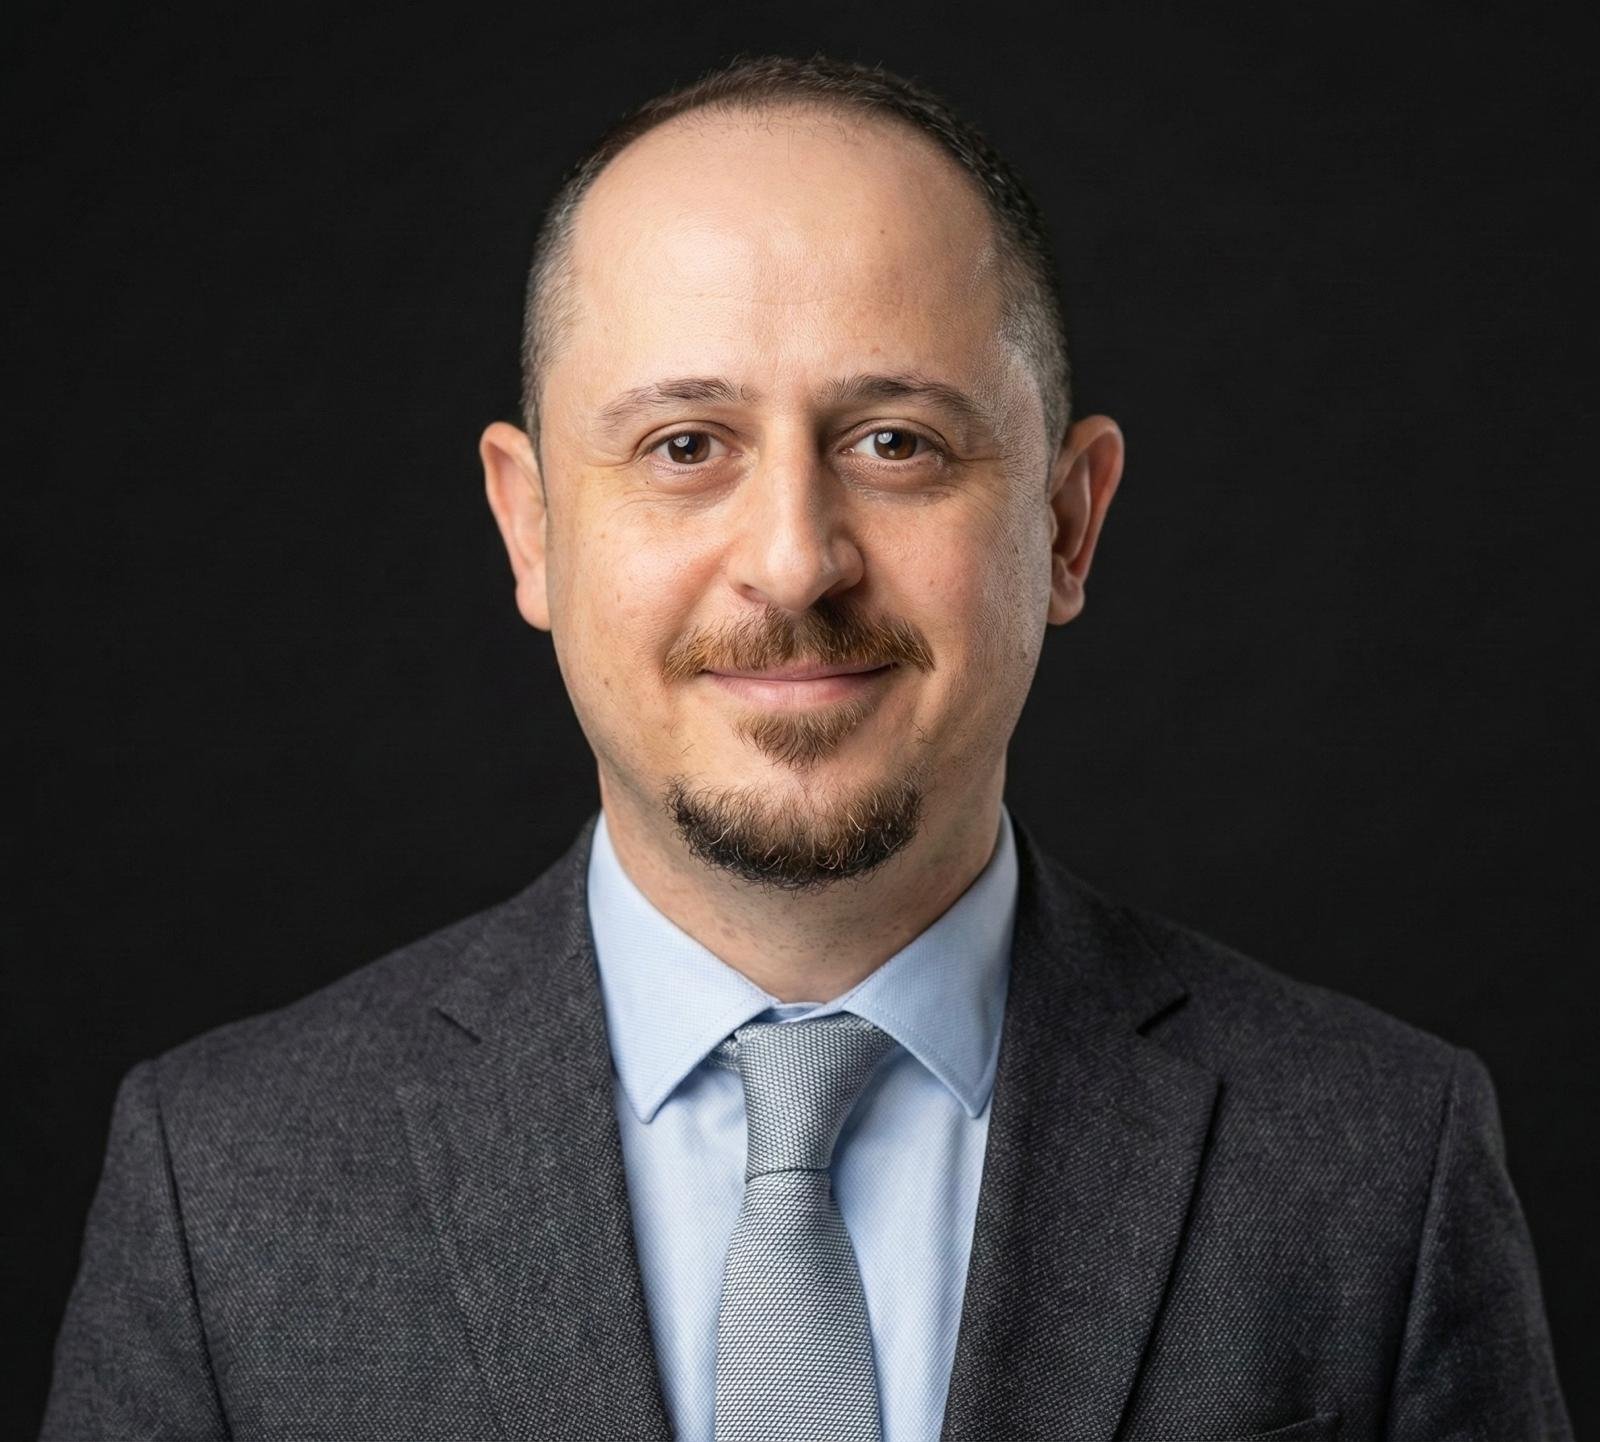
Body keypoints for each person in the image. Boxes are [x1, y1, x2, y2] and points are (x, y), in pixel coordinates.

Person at [41, 53, 1570, 1442]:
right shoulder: (222, 1186)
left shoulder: (1381, 1165)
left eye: (896, 441)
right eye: (684, 446)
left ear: (1066, 521)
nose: (793, 561)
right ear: (531, 527)